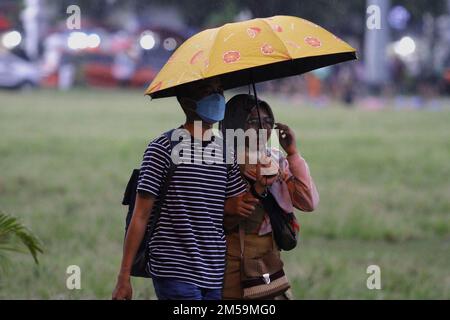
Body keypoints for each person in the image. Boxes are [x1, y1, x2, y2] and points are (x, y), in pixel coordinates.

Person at [112, 78, 252, 300]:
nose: (217, 97)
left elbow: (230, 218)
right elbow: (140, 215)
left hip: (214, 272)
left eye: (220, 90)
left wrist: (242, 200)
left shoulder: (226, 152)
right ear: (186, 102)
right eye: (207, 91)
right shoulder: (163, 148)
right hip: (174, 269)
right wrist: (124, 276)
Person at [221, 94, 320, 299]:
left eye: (267, 121)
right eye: (253, 122)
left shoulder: (276, 159)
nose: (263, 128)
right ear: (235, 124)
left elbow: (308, 202)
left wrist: (292, 153)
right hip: (233, 264)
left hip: (269, 261)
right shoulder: (221, 162)